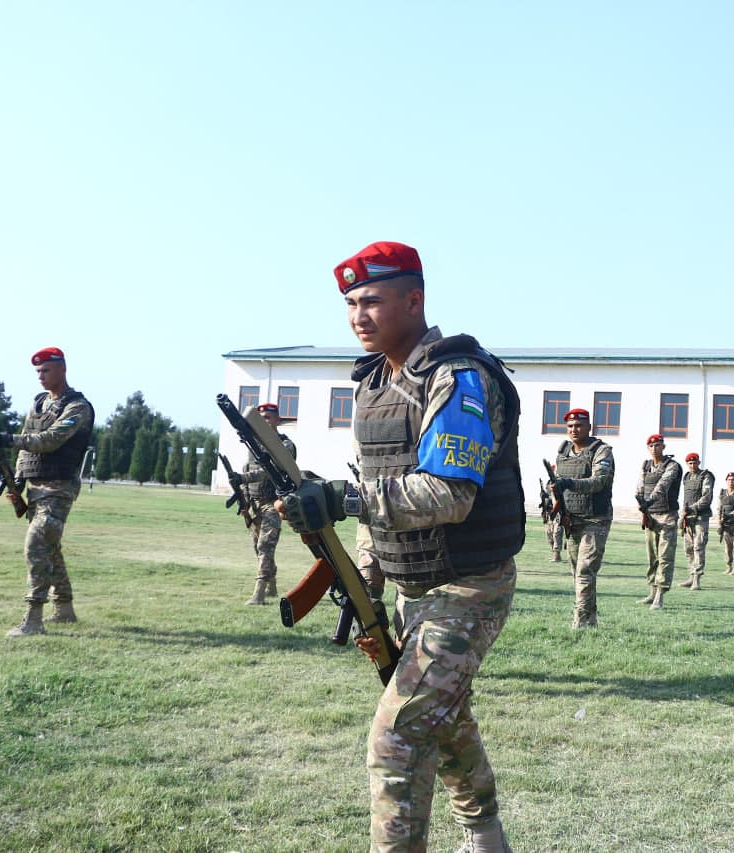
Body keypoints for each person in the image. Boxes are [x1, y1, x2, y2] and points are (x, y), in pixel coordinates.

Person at [279, 241, 521, 852]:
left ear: (414, 300)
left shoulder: (456, 378)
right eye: (351, 303)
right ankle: (487, 839)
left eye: (373, 301)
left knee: (399, 734)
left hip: (468, 586)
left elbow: (449, 492)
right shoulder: (372, 387)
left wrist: (342, 501)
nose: (359, 315)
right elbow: (372, 486)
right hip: (414, 587)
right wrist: (365, 576)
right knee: (444, 722)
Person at [0, 347, 94, 637]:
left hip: (59, 487)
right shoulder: (39, 403)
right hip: (35, 487)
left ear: (62, 369)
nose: (41, 376)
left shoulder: (77, 408)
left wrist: (5, 439)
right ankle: (64, 610)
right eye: (38, 372)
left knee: (36, 543)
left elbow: (50, 440)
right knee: (50, 546)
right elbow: (25, 446)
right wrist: (17, 480)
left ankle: (33, 620)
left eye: (46, 370)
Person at [551, 408, 615, 628]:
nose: (574, 430)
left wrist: (569, 483)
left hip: (595, 519)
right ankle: (591, 620)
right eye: (570, 426)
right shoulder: (563, 451)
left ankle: (578, 622)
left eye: (579, 425)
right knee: (577, 573)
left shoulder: (601, 451)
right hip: (572, 519)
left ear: (589, 427)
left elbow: (599, 481)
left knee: (585, 571)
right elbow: (559, 482)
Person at [231, 402, 297, 605]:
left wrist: (243, 478)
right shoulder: (253, 444)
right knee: (258, 548)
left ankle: (258, 593)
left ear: (278, 420)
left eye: (268, 417)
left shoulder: (285, 445)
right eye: (261, 418)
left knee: (265, 546)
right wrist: (243, 497)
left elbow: (270, 471)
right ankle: (272, 585)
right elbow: (249, 468)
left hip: (273, 504)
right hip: (254, 505)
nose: (264, 421)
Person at [635, 434, 681, 610]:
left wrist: (649, 501)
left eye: (658, 445)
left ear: (664, 447)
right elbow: (640, 485)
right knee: (651, 556)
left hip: (667, 516)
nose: (655, 448)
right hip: (651, 516)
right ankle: (652, 592)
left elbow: (663, 485)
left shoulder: (672, 466)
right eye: (652, 445)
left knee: (665, 557)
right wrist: (641, 503)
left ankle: (660, 596)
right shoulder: (645, 466)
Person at [678, 453, 714, 590]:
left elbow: (706, 497)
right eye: (690, 463)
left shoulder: (706, 476)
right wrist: (683, 514)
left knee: (698, 547)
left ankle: (697, 580)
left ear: (699, 462)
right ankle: (691, 576)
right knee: (688, 549)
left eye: (695, 463)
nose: (692, 465)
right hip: (688, 518)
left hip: (700, 518)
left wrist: (692, 509)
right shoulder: (686, 477)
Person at [539, 474, 563, 562]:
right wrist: (543, 495)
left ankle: (557, 555)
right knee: (549, 534)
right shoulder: (549, 482)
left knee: (557, 533)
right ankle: (554, 554)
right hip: (549, 513)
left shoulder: (560, 482)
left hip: (557, 513)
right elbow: (547, 495)